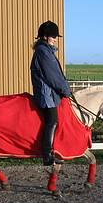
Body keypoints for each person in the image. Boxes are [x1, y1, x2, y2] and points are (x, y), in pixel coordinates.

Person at [30, 20, 72, 165]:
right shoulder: (43, 52)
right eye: (53, 36)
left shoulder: (45, 50)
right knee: (52, 120)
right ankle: (47, 155)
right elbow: (53, 76)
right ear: (46, 36)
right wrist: (66, 91)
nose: (55, 39)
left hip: (49, 92)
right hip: (46, 94)